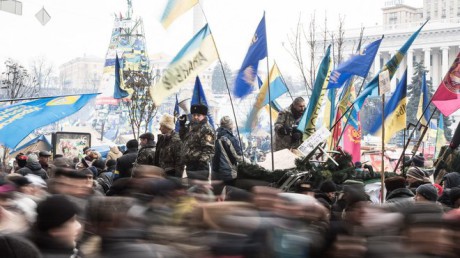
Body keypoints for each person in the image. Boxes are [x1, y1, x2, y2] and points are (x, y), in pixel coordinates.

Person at [179, 103, 215, 181]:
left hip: (199, 166)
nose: (195, 117)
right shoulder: (191, 126)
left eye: (198, 115)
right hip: (190, 164)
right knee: (191, 189)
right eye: (194, 115)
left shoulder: (206, 129)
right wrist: (182, 126)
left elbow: (209, 149)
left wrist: (201, 162)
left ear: (204, 116)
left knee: (199, 189)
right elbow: (184, 139)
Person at [212, 116, 242, 185]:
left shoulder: (215, 135)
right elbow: (238, 156)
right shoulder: (230, 138)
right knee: (229, 193)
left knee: (218, 194)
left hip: (215, 172)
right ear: (230, 125)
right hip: (228, 174)